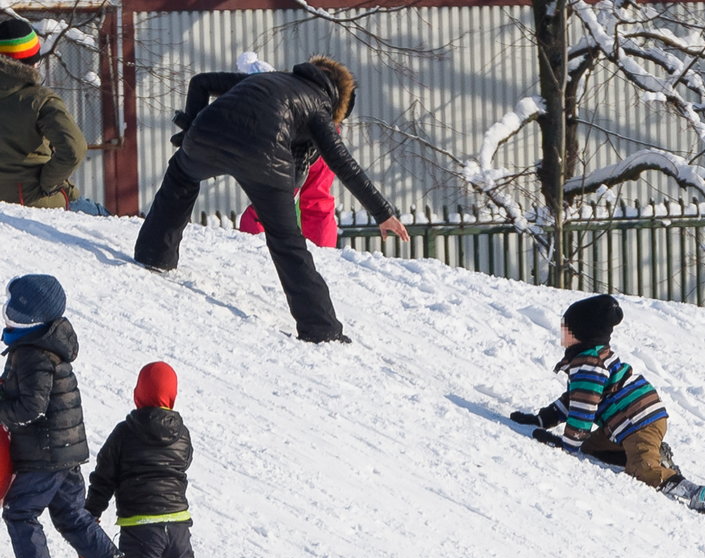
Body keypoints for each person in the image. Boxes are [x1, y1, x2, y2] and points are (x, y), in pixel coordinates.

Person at [134, 55, 409, 343]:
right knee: (285, 240)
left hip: (208, 134)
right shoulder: (320, 105)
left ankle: (154, 253)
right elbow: (343, 163)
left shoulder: (265, 79)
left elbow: (200, 82)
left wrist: (190, 127)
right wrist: (383, 212)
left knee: (181, 176)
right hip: (262, 155)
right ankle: (321, 328)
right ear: (338, 98)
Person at [509, 294, 705, 523]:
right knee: (590, 448)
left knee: (643, 471)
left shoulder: (589, 364)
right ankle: (655, 453)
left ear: (582, 333)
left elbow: (584, 409)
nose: (562, 331)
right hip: (631, 421)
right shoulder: (591, 357)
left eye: (567, 327)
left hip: (638, 421)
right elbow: (573, 400)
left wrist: (567, 444)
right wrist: (541, 420)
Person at [0, 274, 124, 558]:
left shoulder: (33, 353)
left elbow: (32, 407)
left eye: (14, 306)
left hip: (45, 452)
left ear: (30, 315)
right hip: (64, 450)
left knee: (20, 512)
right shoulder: (41, 345)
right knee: (70, 514)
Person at [86, 361, 194, 558]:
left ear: (139, 392)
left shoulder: (125, 432)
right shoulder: (182, 434)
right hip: (178, 527)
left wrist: (91, 512)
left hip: (141, 530)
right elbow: (184, 463)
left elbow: (104, 477)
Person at [0, 18, 108, 215]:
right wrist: (49, 183)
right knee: (108, 220)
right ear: (32, 62)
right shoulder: (40, 100)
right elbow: (75, 148)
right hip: (36, 199)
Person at [235, 52, 339, 247]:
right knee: (318, 199)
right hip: (327, 134)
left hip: (291, 140)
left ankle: (252, 244)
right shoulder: (328, 92)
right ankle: (324, 251)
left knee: (271, 200)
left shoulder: (272, 87)